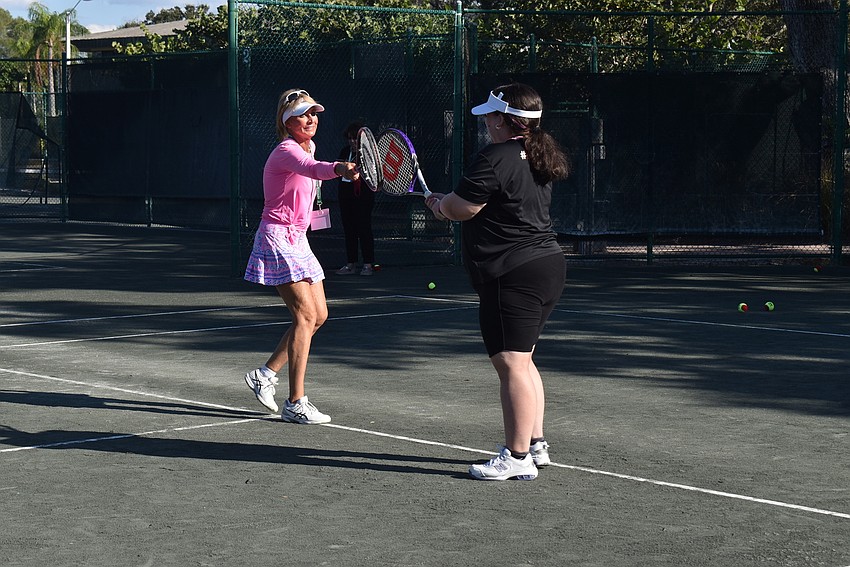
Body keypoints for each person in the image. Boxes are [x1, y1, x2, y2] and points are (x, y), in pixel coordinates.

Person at [425, 83, 568, 480]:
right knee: (524, 360)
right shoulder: (538, 153)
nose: (486, 122)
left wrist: (440, 207)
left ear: (504, 120)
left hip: (513, 272)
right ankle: (535, 445)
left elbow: (462, 208)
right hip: (546, 267)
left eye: (490, 115)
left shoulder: (495, 156)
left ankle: (517, 456)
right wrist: (449, 202)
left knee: (512, 364)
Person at [243, 88, 359, 424]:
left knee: (319, 315)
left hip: (298, 239)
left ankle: (264, 374)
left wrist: (338, 169)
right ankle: (296, 402)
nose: (310, 119)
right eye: (302, 115)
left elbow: (313, 167)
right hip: (277, 237)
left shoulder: (309, 145)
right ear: (287, 121)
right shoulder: (287, 150)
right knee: (305, 316)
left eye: (313, 114)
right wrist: (339, 168)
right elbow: (313, 169)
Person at [334, 121, 376, 276]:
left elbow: (373, 176)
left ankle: (368, 264)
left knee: (364, 228)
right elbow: (338, 171)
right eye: (350, 138)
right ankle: (350, 264)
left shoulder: (369, 155)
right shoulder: (345, 151)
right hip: (346, 195)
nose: (352, 142)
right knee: (349, 228)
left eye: (355, 139)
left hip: (364, 196)